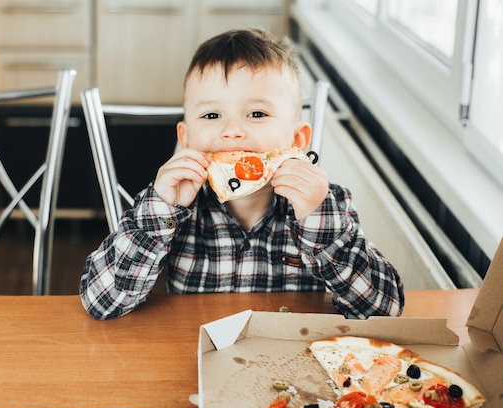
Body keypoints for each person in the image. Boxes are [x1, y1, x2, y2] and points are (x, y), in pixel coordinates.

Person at [80, 28, 404, 320]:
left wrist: (319, 223)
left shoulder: (326, 205)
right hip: (194, 358)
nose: (232, 131)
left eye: (257, 113)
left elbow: (383, 311)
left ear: (296, 141)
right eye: (211, 114)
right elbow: (102, 301)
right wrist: (162, 210)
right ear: (187, 139)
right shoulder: (171, 207)